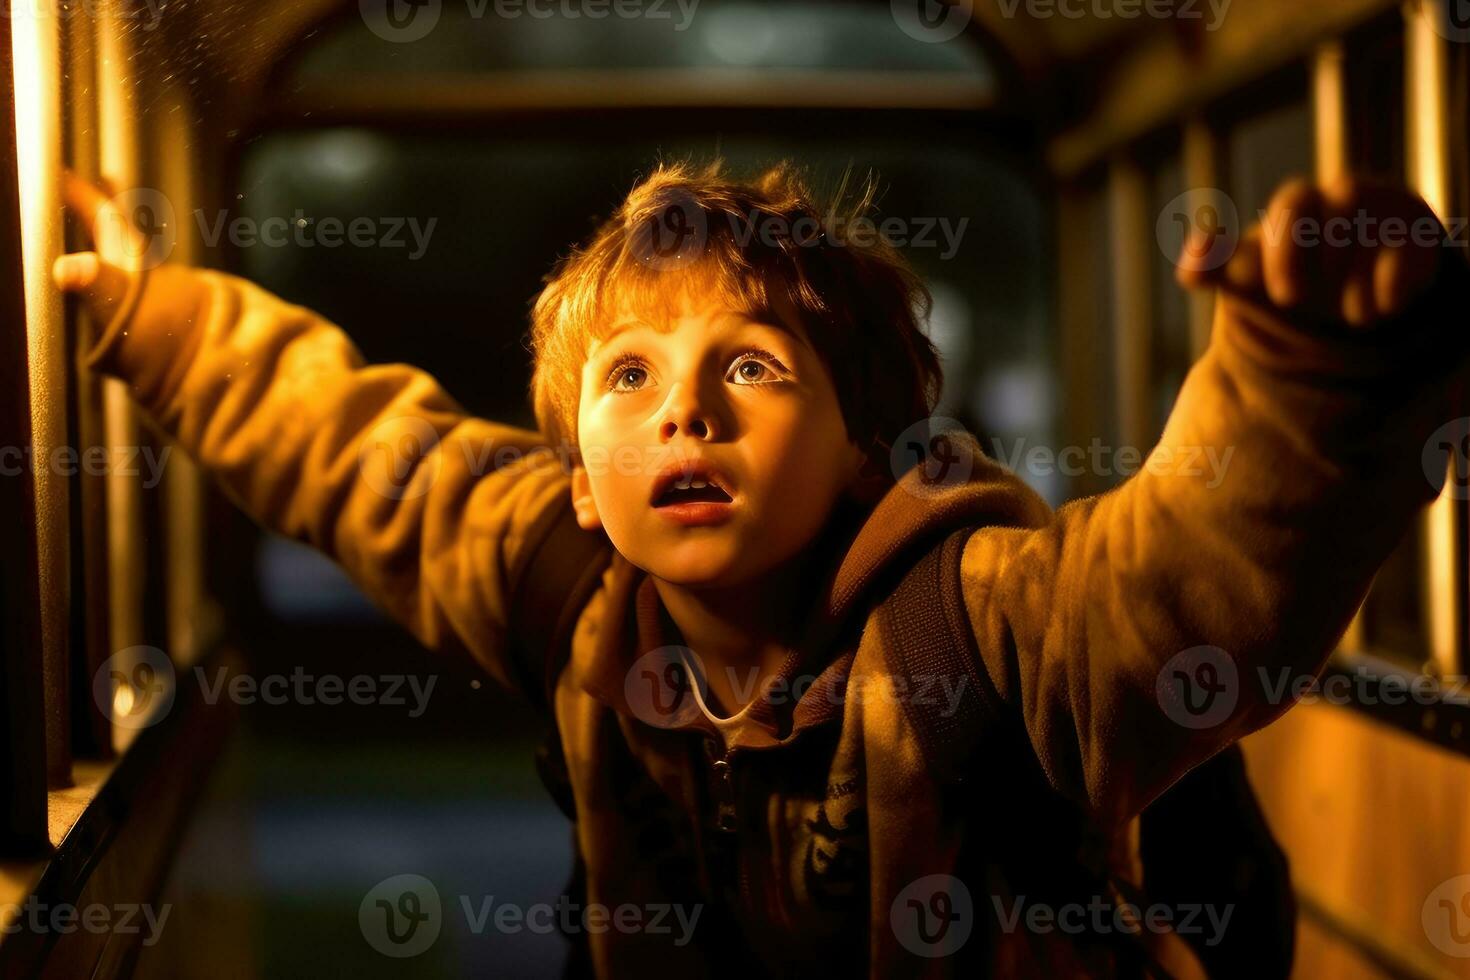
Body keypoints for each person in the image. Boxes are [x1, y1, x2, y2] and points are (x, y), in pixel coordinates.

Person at [53, 159, 1470, 977]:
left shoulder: (978, 620)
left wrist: (1307, 377)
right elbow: (362, 453)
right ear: (586, 489)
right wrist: (144, 313)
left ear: (866, 449)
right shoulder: (567, 581)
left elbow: (1183, 585)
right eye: (626, 374)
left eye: (747, 366)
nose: (683, 410)